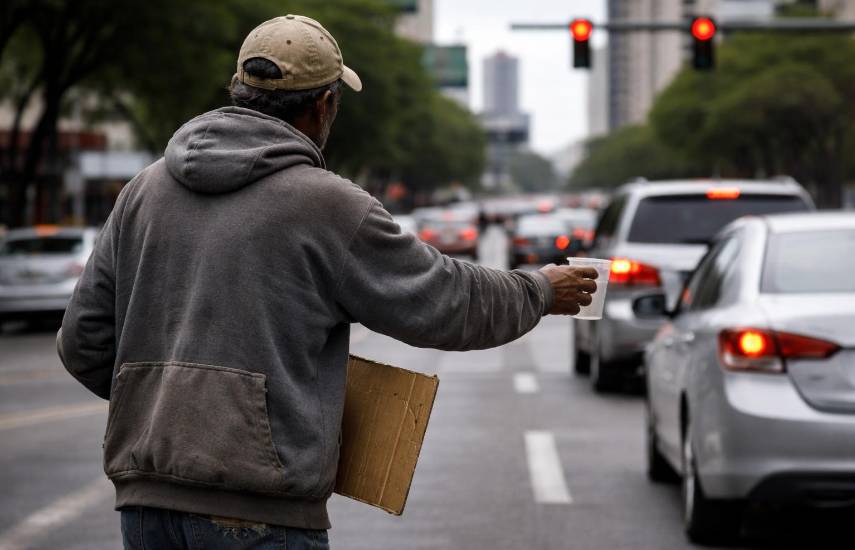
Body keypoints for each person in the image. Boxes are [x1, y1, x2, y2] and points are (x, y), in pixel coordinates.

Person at [57, 14, 597, 550]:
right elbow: (446, 301)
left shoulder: (142, 191)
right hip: (261, 517)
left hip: (146, 514)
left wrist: (173, 403)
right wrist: (541, 290)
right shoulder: (328, 205)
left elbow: (83, 343)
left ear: (239, 90)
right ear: (323, 106)